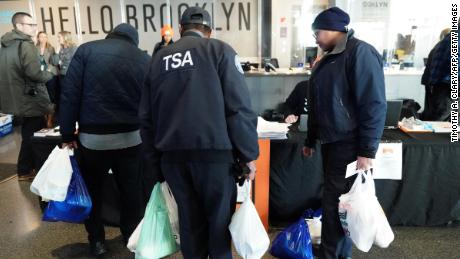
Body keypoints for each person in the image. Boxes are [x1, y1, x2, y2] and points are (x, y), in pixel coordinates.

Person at [140, 7, 259, 259]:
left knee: (189, 224)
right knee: (217, 226)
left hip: (172, 159)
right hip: (215, 158)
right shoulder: (219, 51)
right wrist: (248, 154)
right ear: (209, 31)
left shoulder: (159, 60)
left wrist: (155, 165)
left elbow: (146, 118)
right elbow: (238, 108)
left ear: (180, 29)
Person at [59, 23, 150, 256]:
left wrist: (67, 133)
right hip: (131, 138)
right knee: (131, 193)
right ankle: (132, 236)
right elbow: (151, 102)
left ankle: (97, 242)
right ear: (134, 40)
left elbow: (70, 94)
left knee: (94, 192)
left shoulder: (86, 50)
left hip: (93, 139)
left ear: (110, 35)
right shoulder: (143, 58)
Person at [303, 7, 386, 259]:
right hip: (331, 143)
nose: (315, 38)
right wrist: (310, 139)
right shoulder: (327, 58)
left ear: (332, 29)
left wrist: (366, 151)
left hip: (349, 145)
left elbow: (373, 104)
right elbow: (317, 102)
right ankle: (340, 254)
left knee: (335, 207)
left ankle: (332, 255)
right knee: (340, 206)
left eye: (317, 32)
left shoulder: (360, 53)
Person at [0, 12, 53, 181]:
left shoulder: (6, 45)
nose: (35, 28)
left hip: (16, 97)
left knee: (28, 133)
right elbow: (35, 73)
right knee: (34, 135)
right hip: (30, 98)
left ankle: (26, 168)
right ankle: (26, 170)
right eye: (31, 25)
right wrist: (50, 73)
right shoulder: (26, 45)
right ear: (19, 26)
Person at [421, 28, 452, 121]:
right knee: (439, 121)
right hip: (446, 87)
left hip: (437, 85)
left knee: (435, 117)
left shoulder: (445, 41)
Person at [50, 31, 77, 112]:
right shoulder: (60, 48)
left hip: (70, 75)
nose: (58, 39)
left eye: (59, 37)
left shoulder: (73, 48)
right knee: (64, 95)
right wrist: (56, 52)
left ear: (65, 37)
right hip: (62, 75)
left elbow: (75, 62)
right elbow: (54, 62)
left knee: (71, 95)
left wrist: (62, 62)